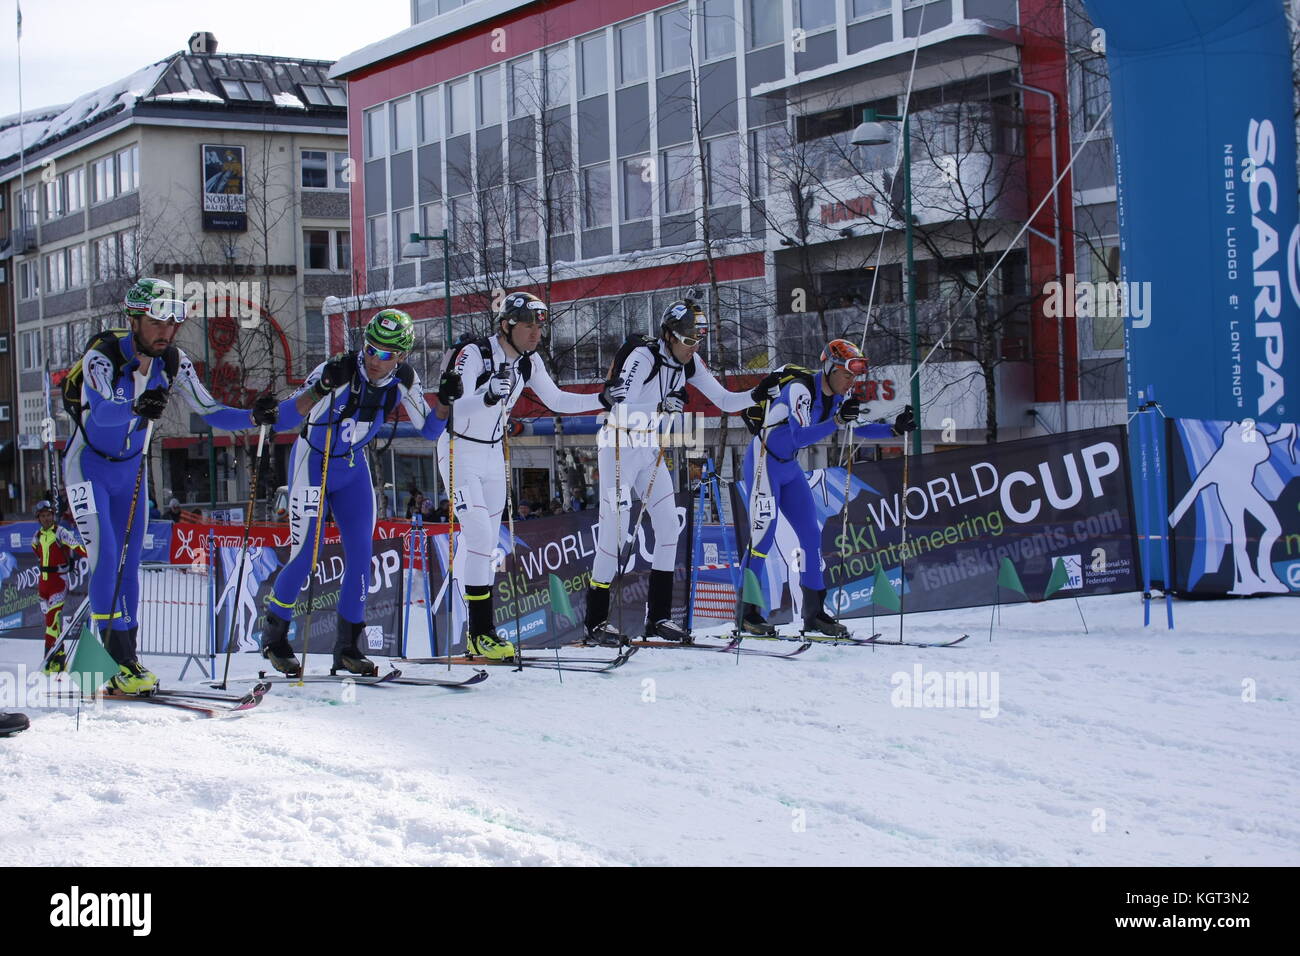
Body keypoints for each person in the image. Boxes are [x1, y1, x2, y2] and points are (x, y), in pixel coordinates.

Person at [62, 278, 280, 694]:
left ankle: (123, 660)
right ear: (135, 320)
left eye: (172, 323)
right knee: (106, 556)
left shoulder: (173, 362)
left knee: (130, 566)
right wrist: (135, 405)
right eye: (157, 322)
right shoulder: (102, 357)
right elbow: (102, 414)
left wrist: (255, 416)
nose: (165, 332)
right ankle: (107, 663)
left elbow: (212, 410)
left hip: (130, 473)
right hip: (87, 468)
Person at [259, 309, 450, 677]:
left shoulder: (405, 380)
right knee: (304, 557)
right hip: (312, 465)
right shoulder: (341, 370)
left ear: (402, 356)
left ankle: (347, 646)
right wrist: (319, 388)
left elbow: (429, 431)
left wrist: (444, 401)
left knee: (362, 556)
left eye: (385, 354)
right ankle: (275, 637)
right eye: (370, 349)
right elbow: (284, 418)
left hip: (351, 469)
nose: (374, 359)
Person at [583, 299, 772, 645]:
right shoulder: (644, 357)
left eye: (697, 340)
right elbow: (618, 406)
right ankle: (595, 622)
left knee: (669, 525)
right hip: (617, 447)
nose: (693, 347)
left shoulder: (689, 362)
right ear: (669, 336)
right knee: (616, 530)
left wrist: (758, 394)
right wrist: (659, 405)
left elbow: (726, 401)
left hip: (649, 448)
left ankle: (658, 618)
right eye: (687, 341)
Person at [438, 291, 608, 660]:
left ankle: (475, 630)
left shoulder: (529, 362)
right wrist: (485, 395)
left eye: (539, 327)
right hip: (459, 450)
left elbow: (559, 400)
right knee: (480, 535)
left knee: (485, 542)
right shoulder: (476, 354)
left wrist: (604, 398)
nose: (535, 335)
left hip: (492, 452)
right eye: (527, 326)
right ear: (506, 326)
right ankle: (482, 632)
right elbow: (454, 405)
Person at [739, 338, 915, 637]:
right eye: (847, 375)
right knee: (763, 538)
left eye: (855, 376)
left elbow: (858, 426)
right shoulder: (800, 389)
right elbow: (799, 437)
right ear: (830, 368)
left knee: (811, 535)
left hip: (789, 467)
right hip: (763, 464)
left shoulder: (838, 397)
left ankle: (814, 613)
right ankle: (748, 612)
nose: (851, 381)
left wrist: (894, 429)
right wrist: (836, 420)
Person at [31, 500, 87, 673]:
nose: (46, 519)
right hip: (43, 584)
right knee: (53, 623)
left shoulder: (60, 532)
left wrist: (93, 558)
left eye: (49, 515)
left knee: (51, 623)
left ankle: (48, 660)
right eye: (43, 516)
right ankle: (59, 658)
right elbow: (37, 552)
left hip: (59, 582)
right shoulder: (37, 536)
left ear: (53, 516)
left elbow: (77, 546)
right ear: (39, 519)